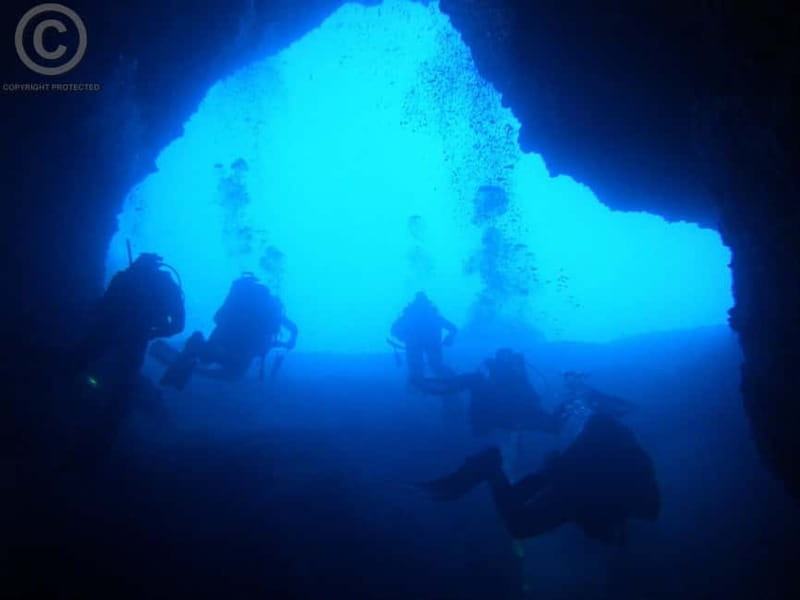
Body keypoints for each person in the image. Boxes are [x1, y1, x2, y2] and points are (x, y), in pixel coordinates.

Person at [418, 413, 660, 546]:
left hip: (571, 479)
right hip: (576, 486)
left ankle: (488, 467)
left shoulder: (622, 493)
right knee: (520, 526)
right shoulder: (620, 495)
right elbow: (644, 506)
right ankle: (490, 468)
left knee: (520, 508)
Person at [158, 273, 298, 389]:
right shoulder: (272, 312)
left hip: (225, 340)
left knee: (217, 364)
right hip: (238, 348)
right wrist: (290, 342)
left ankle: (195, 348)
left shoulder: (245, 305)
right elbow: (292, 328)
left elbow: (217, 318)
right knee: (231, 374)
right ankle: (196, 348)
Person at [76, 252, 185, 380]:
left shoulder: (125, 277)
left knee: (82, 360)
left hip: (111, 328)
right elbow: (178, 325)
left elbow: (103, 304)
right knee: (124, 377)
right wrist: (153, 333)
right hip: (132, 333)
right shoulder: (166, 286)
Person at [418, 348, 568, 436]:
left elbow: (528, 396)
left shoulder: (512, 372)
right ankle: (433, 386)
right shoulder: (512, 370)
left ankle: (432, 386)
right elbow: (529, 397)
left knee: (475, 379)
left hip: (507, 413)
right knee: (475, 380)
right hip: (508, 413)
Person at [390, 292, 457, 386]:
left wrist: (450, 337)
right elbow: (453, 328)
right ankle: (420, 388)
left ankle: (450, 383)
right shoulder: (431, 316)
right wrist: (405, 338)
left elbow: (453, 328)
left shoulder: (413, 316)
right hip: (421, 345)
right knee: (420, 368)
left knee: (433, 366)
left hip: (427, 345)